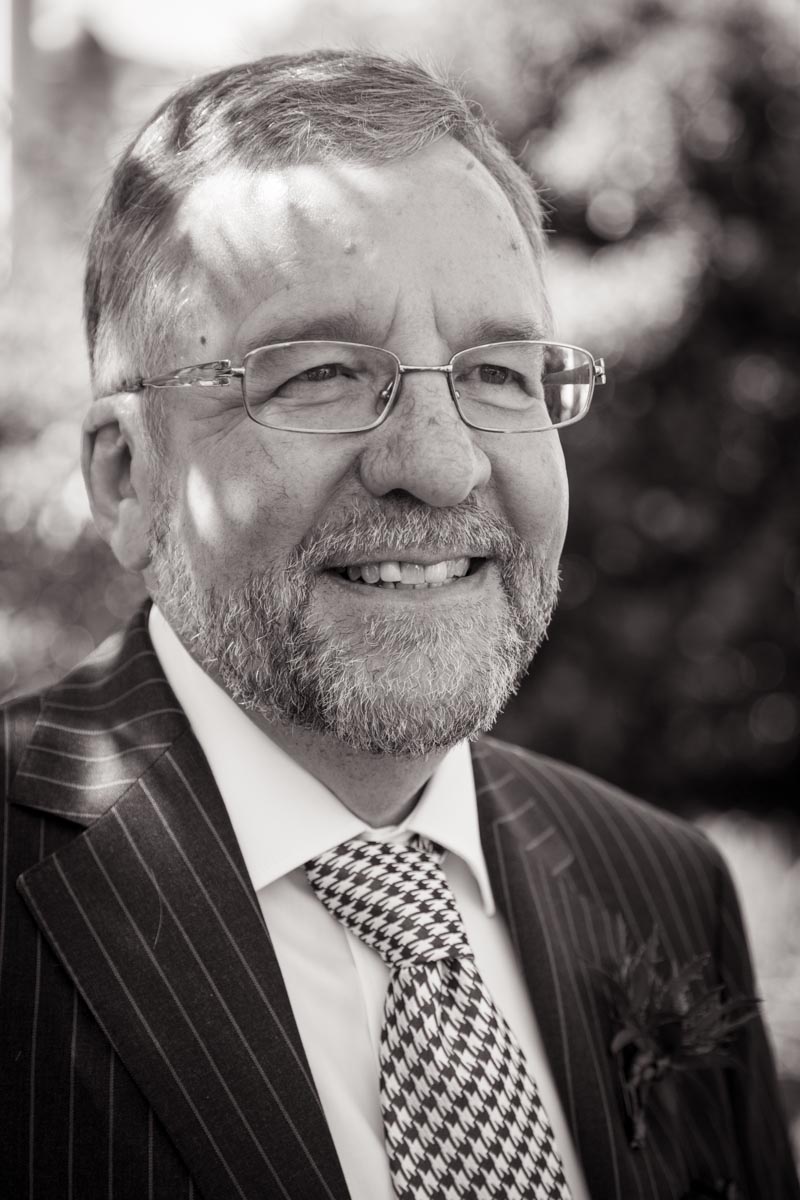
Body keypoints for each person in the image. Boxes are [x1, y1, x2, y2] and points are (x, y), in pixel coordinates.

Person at [0, 50, 796, 1200]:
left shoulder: (665, 889)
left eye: (499, 372)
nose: (438, 462)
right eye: (320, 373)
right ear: (127, 477)